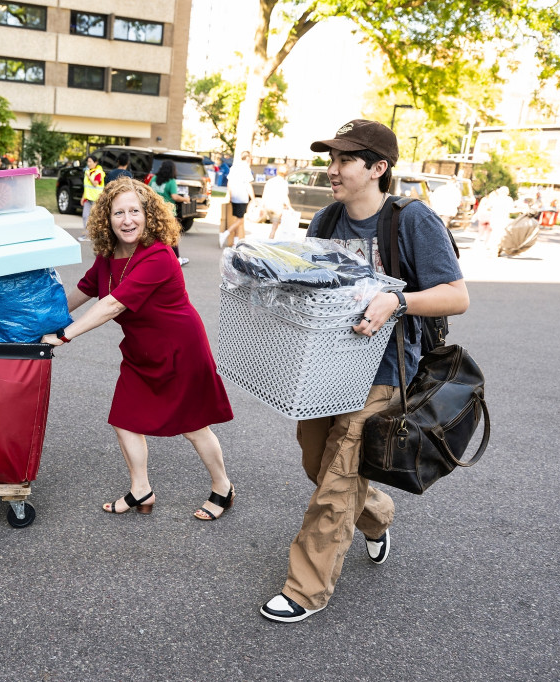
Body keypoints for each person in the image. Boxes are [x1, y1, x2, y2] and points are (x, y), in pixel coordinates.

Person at [260, 119, 469, 624]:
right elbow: (316, 284)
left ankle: (305, 588)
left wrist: (396, 299)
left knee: (339, 474)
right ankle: (375, 514)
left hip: (386, 369)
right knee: (317, 462)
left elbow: (457, 296)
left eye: (344, 161)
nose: (331, 169)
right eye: (330, 159)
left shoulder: (412, 220)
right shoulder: (328, 219)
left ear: (377, 168)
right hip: (328, 365)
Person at [40, 178, 235, 520]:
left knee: (193, 426)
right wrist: (45, 322)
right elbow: (85, 290)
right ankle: (141, 489)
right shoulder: (109, 254)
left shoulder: (158, 255)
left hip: (180, 350)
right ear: (108, 218)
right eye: (119, 213)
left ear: (148, 215)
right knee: (125, 419)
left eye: (135, 211)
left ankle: (223, 487)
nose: (127, 220)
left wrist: (64, 335)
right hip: (141, 350)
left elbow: (112, 305)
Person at [148, 160, 191, 266]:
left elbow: (148, 191)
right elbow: (174, 196)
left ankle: (153, 256)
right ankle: (177, 259)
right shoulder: (171, 181)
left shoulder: (154, 179)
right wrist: (185, 199)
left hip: (154, 211)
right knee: (173, 235)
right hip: (168, 212)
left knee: (155, 235)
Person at [219, 150, 254, 247]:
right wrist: (254, 199)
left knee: (239, 220)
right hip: (242, 197)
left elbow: (229, 183)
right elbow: (248, 185)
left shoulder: (234, 167)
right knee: (240, 220)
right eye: (251, 158)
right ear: (247, 158)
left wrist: (230, 195)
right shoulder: (246, 168)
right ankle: (225, 234)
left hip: (234, 196)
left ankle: (235, 241)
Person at [260, 167, 293, 239]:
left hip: (268, 205)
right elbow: (285, 196)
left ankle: (270, 239)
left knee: (272, 224)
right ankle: (270, 240)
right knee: (274, 227)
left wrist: (261, 207)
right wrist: (290, 207)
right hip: (277, 207)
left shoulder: (270, 181)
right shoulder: (284, 183)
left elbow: (264, 194)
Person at [80, 154, 105, 233]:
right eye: (88, 161)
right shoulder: (88, 172)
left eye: (90, 161)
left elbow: (95, 184)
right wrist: (83, 197)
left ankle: (96, 235)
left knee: (96, 218)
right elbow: (86, 187)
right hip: (88, 199)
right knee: (85, 216)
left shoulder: (99, 172)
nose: (88, 163)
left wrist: (89, 176)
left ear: (95, 163)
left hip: (96, 199)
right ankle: (87, 234)